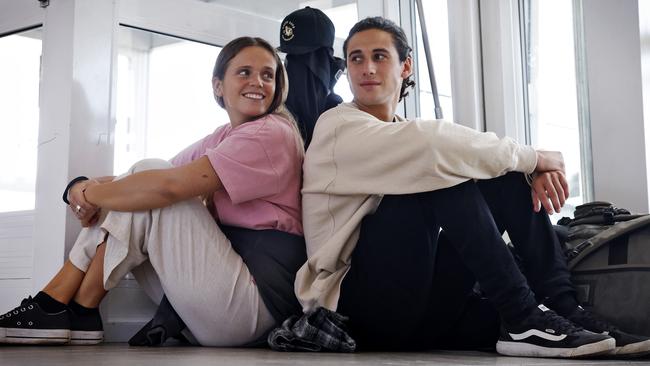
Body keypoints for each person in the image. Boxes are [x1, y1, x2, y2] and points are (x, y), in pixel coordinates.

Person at [293, 17, 650, 358]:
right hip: (358, 311)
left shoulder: (399, 132)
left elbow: (444, 149)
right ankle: (524, 316)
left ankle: (563, 308)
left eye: (379, 56)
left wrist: (525, 169)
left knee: (506, 178)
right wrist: (533, 157)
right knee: (439, 174)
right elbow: (432, 144)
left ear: (406, 67)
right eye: (357, 58)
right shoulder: (337, 127)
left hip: (418, 308)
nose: (367, 68)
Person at [0, 36, 306, 347]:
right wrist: (79, 187)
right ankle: (80, 312)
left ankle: (52, 304)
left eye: (268, 75)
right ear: (217, 85)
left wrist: (90, 197)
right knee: (141, 186)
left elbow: (165, 184)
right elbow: (142, 179)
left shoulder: (272, 133)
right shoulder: (225, 136)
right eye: (245, 72)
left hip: (254, 308)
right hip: (217, 302)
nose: (258, 81)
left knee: (151, 185)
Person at [278, 6, 345, 148]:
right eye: (289, 57)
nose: (292, 68)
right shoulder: (273, 108)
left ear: (324, 60)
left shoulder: (340, 116)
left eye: (303, 58)